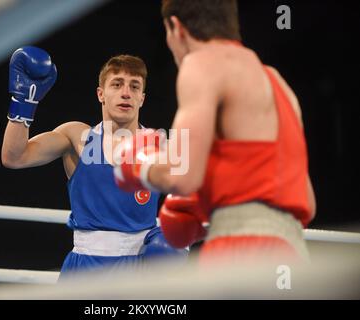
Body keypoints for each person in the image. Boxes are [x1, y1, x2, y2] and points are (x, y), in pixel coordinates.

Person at [113, 0, 316, 265]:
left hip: (240, 249)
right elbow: (307, 200)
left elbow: (181, 174)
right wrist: (207, 205)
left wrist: (139, 166)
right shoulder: (277, 82)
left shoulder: (200, 65)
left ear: (175, 28)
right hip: (293, 251)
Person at [1, 47, 186, 275]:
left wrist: (180, 242)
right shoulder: (76, 136)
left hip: (139, 269)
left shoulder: (162, 145)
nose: (126, 93)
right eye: (117, 84)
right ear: (101, 94)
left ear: (142, 98)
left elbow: (198, 200)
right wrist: (23, 102)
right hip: (85, 267)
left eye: (134, 86)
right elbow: (14, 157)